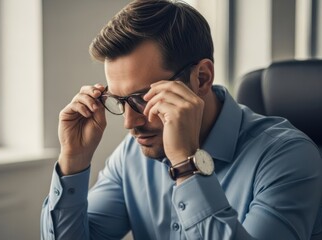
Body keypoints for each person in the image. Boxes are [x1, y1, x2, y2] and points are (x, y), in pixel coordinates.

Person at [41, 0, 322, 239]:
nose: (129, 123)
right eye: (120, 101)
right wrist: (73, 161)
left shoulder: (289, 157)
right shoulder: (131, 155)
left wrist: (187, 167)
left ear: (202, 78)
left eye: (143, 98)